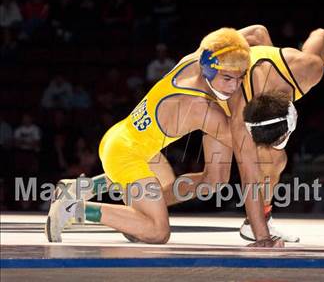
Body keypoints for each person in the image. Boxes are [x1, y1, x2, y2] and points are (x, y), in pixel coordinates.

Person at [45, 25, 285, 247]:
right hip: (125, 153)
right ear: (210, 70)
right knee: (158, 232)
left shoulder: (200, 57)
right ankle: (75, 209)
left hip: (131, 141)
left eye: (240, 78)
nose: (234, 87)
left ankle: (85, 187)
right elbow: (247, 156)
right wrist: (262, 236)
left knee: (189, 184)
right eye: (228, 79)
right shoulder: (200, 108)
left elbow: (257, 32)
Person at [227, 28, 324, 246]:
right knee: (249, 166)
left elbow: (322, 36)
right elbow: (249, 176)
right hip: (234, 79)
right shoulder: (239, 105)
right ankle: (256, 221)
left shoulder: (307, 69)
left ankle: (260, 216)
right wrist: (261, 234)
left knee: (276, 160)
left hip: (273, 66)